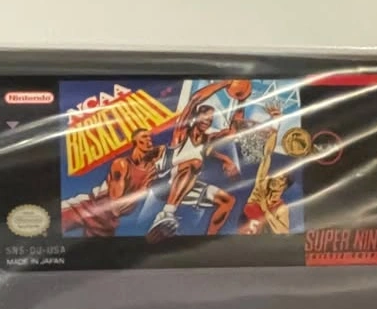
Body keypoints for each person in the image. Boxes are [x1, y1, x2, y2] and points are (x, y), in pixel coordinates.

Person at [146, 80, 249, 242]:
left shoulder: (208, 140)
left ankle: (209, 240)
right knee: (195, 163)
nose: (207, 120)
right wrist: (224, 83)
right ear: (195, 117)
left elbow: (233, 131)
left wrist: (242, 100)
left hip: (185, 186)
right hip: (163, 183)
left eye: (210, 118)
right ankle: (165, 214)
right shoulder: (181, 133)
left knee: (227, 200)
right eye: (204, 116)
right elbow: (194, 100)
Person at [61, 129, 165, 237]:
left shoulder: (151, 168)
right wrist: (144, 188)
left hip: (107, 223)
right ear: (135, 142)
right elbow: (116, 206)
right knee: (54, 224)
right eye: (144, 136)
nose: (149, 139)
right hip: (87, 206)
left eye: (149, 136)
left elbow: (166, 149)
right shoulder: (122, 164)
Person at [239, 110, 291, 235]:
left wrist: (266, 210)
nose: (276, 178)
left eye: (281, 178)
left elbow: (284, 231)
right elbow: (267, 155)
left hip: (263, 238)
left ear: (284, 185)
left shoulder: (282, 208)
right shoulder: (260, 188)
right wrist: (275, 125)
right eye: (276, 176)